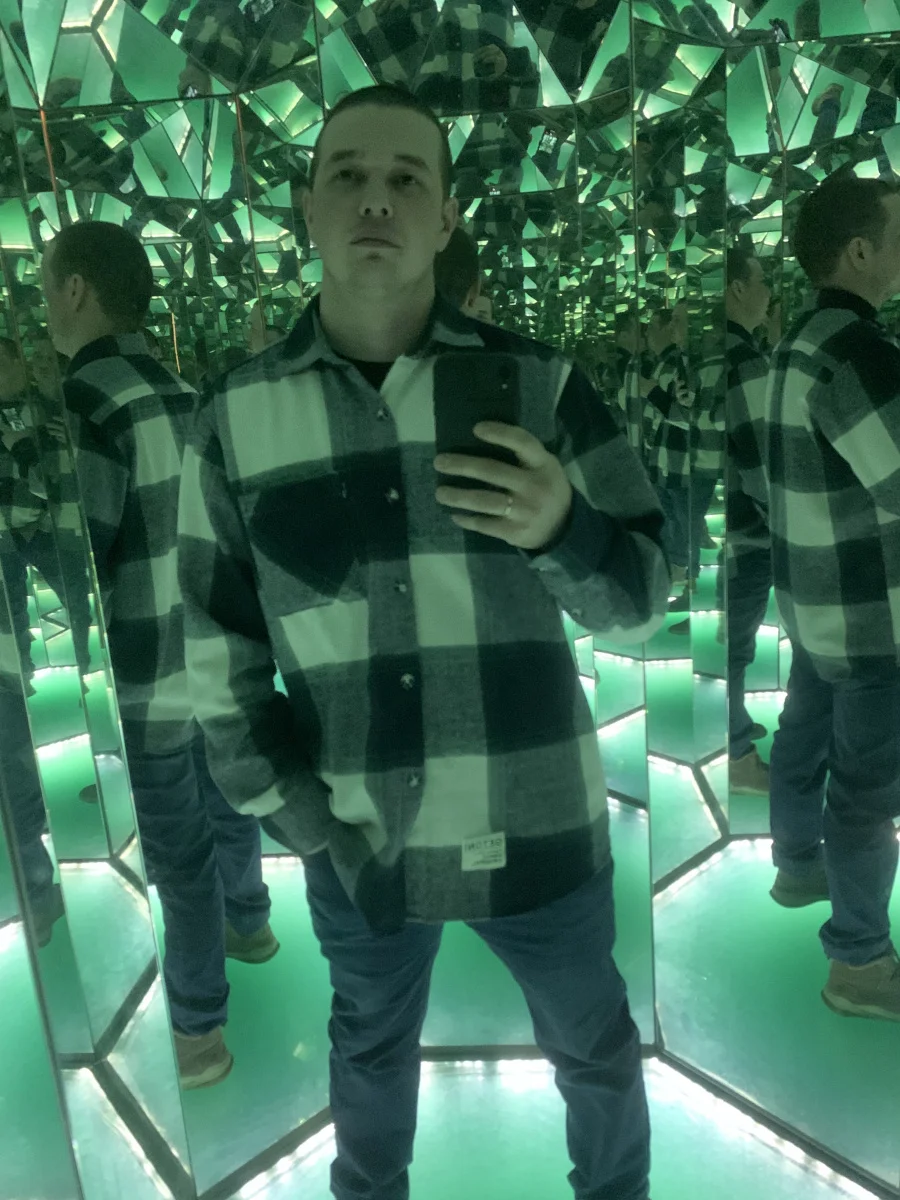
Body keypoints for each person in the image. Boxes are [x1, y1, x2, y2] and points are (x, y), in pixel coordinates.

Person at [178, 83, 669, 1200]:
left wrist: (565, 530)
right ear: (306, 206)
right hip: (362, 841)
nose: (376, 200)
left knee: (596, 1050)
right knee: (367, 1055)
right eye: (348, 174)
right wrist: (304, 821)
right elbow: (217, 647)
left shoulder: (543, 387)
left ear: (447, 217)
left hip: (540, 827)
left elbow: (644, 603)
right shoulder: (235, 416)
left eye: (407, 179)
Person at [40, 221, 279, 1088]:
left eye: (46, 288)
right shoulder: (184, 392)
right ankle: (251, 923)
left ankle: (199, 1029)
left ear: (76, 290)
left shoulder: (85, 403)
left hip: (143, 673)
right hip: (213, 654)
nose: (44, 307)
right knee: (229, 805)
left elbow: (80, 555)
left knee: (177, 852)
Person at [764, 174, 900, 1020]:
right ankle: (858, 961)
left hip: (811, 601)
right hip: (869, 613)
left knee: (803, 737)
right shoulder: (857, 353)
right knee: (867, 791)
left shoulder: (796, 343)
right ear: (859, 251)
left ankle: (797, 867)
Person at [705, 250, 776, 797]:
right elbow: (763, 465)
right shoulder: (744, 360)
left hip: (727, 531)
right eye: (762, 280)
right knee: (736, 647)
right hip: (750, 535)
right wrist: (788, 529)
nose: (769, 291)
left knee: (732, 641)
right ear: (736, 289)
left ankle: (733, 727)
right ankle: (735, 754)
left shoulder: (712, 354)